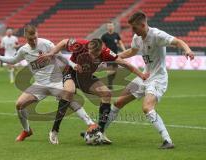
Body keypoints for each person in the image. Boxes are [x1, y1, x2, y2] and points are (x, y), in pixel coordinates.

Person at [0, 25, 97, 144]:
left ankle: (91, 124)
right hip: (40, 84)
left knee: (70, 99)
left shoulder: (46, 44)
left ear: (37, 34)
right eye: (30, 39)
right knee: (19, 105)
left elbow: (61, 57)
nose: (34, 41)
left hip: (55, 81)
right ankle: (27, 131)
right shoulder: (24, 50)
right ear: (25, 37)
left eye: (35, 38)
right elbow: (13, 60)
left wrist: (73, 65)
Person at [105, 11, 195, 149]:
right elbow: (131, 52)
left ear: (143, 25)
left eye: (135, 28)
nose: (132, 31)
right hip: (144, 76)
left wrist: (187, 50)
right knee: (118, 102)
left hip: (158, 78)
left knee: (147, 107)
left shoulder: (157, 35)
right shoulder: (137, 37)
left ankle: (167, 140)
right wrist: (114, 57)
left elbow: (178, 41)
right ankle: (100, 132)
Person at [37, 38, 149, 144]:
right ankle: (54, 131)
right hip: (71, 73)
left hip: (86, 77)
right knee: (69, 92)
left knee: (106, 93)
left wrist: (142, 75)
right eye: (89, 52)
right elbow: (63, 42)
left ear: (100, 50)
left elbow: (125, 64)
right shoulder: (80, 44)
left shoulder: (106, 52)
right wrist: (51, 53)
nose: (90, 55)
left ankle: (100, 131)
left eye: (94, 54)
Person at [101, 22, 126, 89]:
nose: (110, 27)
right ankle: (109, 85)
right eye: (109, 26)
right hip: (107, 55)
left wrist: (124, 50)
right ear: (107, 27)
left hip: (115, 55)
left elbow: (120, 43)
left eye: (111, 26)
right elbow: (102, 45)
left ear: (113, 27)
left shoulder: (116, 35)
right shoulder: (104, 36)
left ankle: (110, 82)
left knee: (115, 70)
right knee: (109, 70)